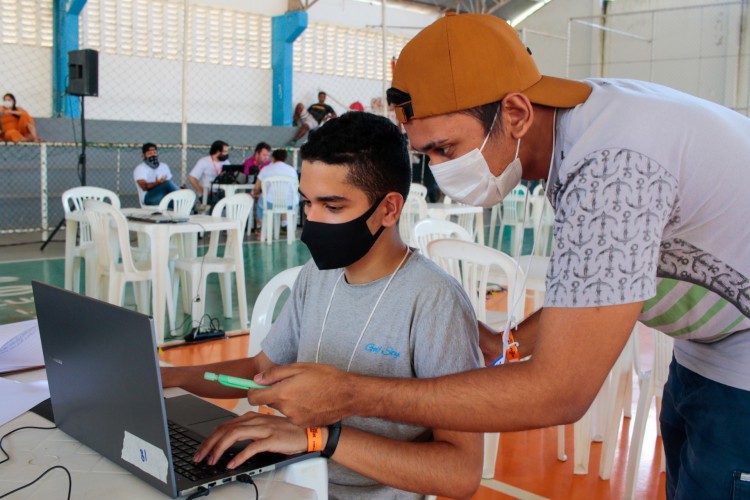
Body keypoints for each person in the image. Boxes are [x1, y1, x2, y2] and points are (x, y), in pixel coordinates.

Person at [246, 13, 750, 500]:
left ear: (514, 113)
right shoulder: (586, 125)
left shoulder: (612, 169)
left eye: (446, 148)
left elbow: (561, 391)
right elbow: (603, 291)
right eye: (427, 154)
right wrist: (506, 342)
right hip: (704, 352)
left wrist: (349, 394)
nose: (439, 170)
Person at [161, 111, 483, 499]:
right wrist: (171, 377)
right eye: (306, 203)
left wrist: (318, 439)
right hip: (286, 480)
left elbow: (460, 472)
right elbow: (260, 369)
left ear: (388, 209)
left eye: (332, 207)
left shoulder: (434, 302)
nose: (311, 221)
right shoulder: (317, 274)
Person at [251, 148, 299, 234]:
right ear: (285, 159)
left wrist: (258, 193)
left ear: (273, 158)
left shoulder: (266, 169)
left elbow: (256, 187)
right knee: (285, 201)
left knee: (260, 205)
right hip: (290, 204)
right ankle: (284, 225)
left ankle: (262, 227)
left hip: (270, 203)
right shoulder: (292, 170)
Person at [188, 140, 229, 205]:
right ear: (218, 152)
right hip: (207, 192)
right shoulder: (204, 161)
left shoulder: (226, 162)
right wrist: (202, 192)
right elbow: (191, 178)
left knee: (233, 201)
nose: (227, 154)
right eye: (225, 152)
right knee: (216, 203)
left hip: (220, 192)